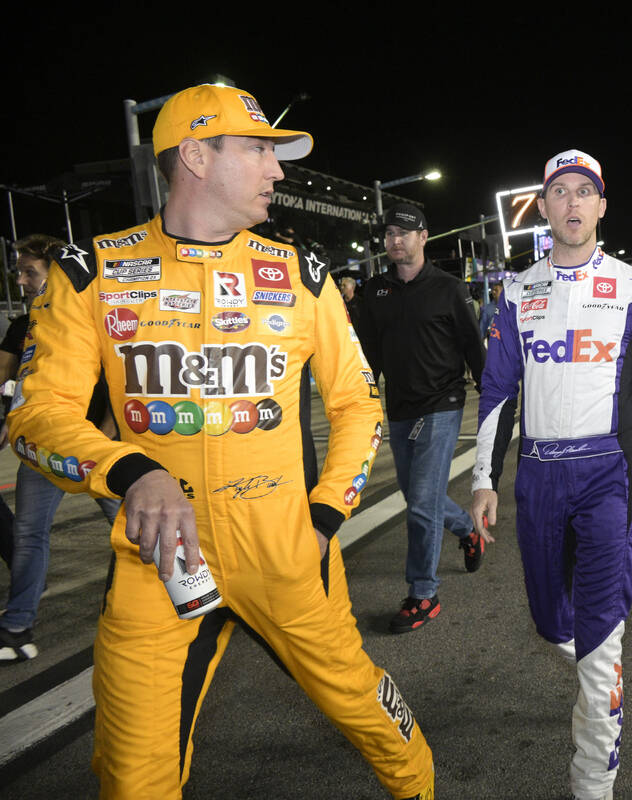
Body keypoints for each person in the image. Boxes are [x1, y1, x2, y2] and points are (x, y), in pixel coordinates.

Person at [7, 83, 433, 798]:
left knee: (368, 713)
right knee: (131, 777)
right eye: (261, 150)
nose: (277, 170)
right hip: (158, 566)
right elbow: (32, 418)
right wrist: (128, 470)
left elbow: (359, 403)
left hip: (288, 553)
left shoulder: (300, 275)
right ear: (196, 156)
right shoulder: (92, 274)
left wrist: (327, 513)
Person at [470, 149, 632, 800]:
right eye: (559, 192)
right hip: (537, 477)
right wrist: (484, 478)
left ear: (601, 206)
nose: (572, 203)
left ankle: (593, 778)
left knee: (599, 631)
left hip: (608, 476)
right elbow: (496, 393)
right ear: (542, 207)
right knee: (551, 622)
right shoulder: (515, 290)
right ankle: (599, 659)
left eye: (584, 192)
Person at [358, 203, 486, 633]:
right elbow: (368, 353)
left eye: (405, 232)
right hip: (399, 409)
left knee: (421, 503)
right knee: (419, 499)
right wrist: (361, 400)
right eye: (390, 233)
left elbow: (473, 345)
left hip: (442, 405)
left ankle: (423, 593)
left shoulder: (449, 288)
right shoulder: (374, 292)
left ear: (424, 237)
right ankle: (467, 528)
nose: (396, 240)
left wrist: (493, 399)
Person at [0, 234, 121, 663]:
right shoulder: (22, 325)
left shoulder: (96, 311)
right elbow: (6, 378)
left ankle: (185, 599)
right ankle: (16, 628)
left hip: (98, 449)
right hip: (45, 447)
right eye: (19, 270)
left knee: (132, 530)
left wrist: (106, 439)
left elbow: (116, 382)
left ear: (57, 272)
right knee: (29, 535)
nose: (21, 280)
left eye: (29, 271)